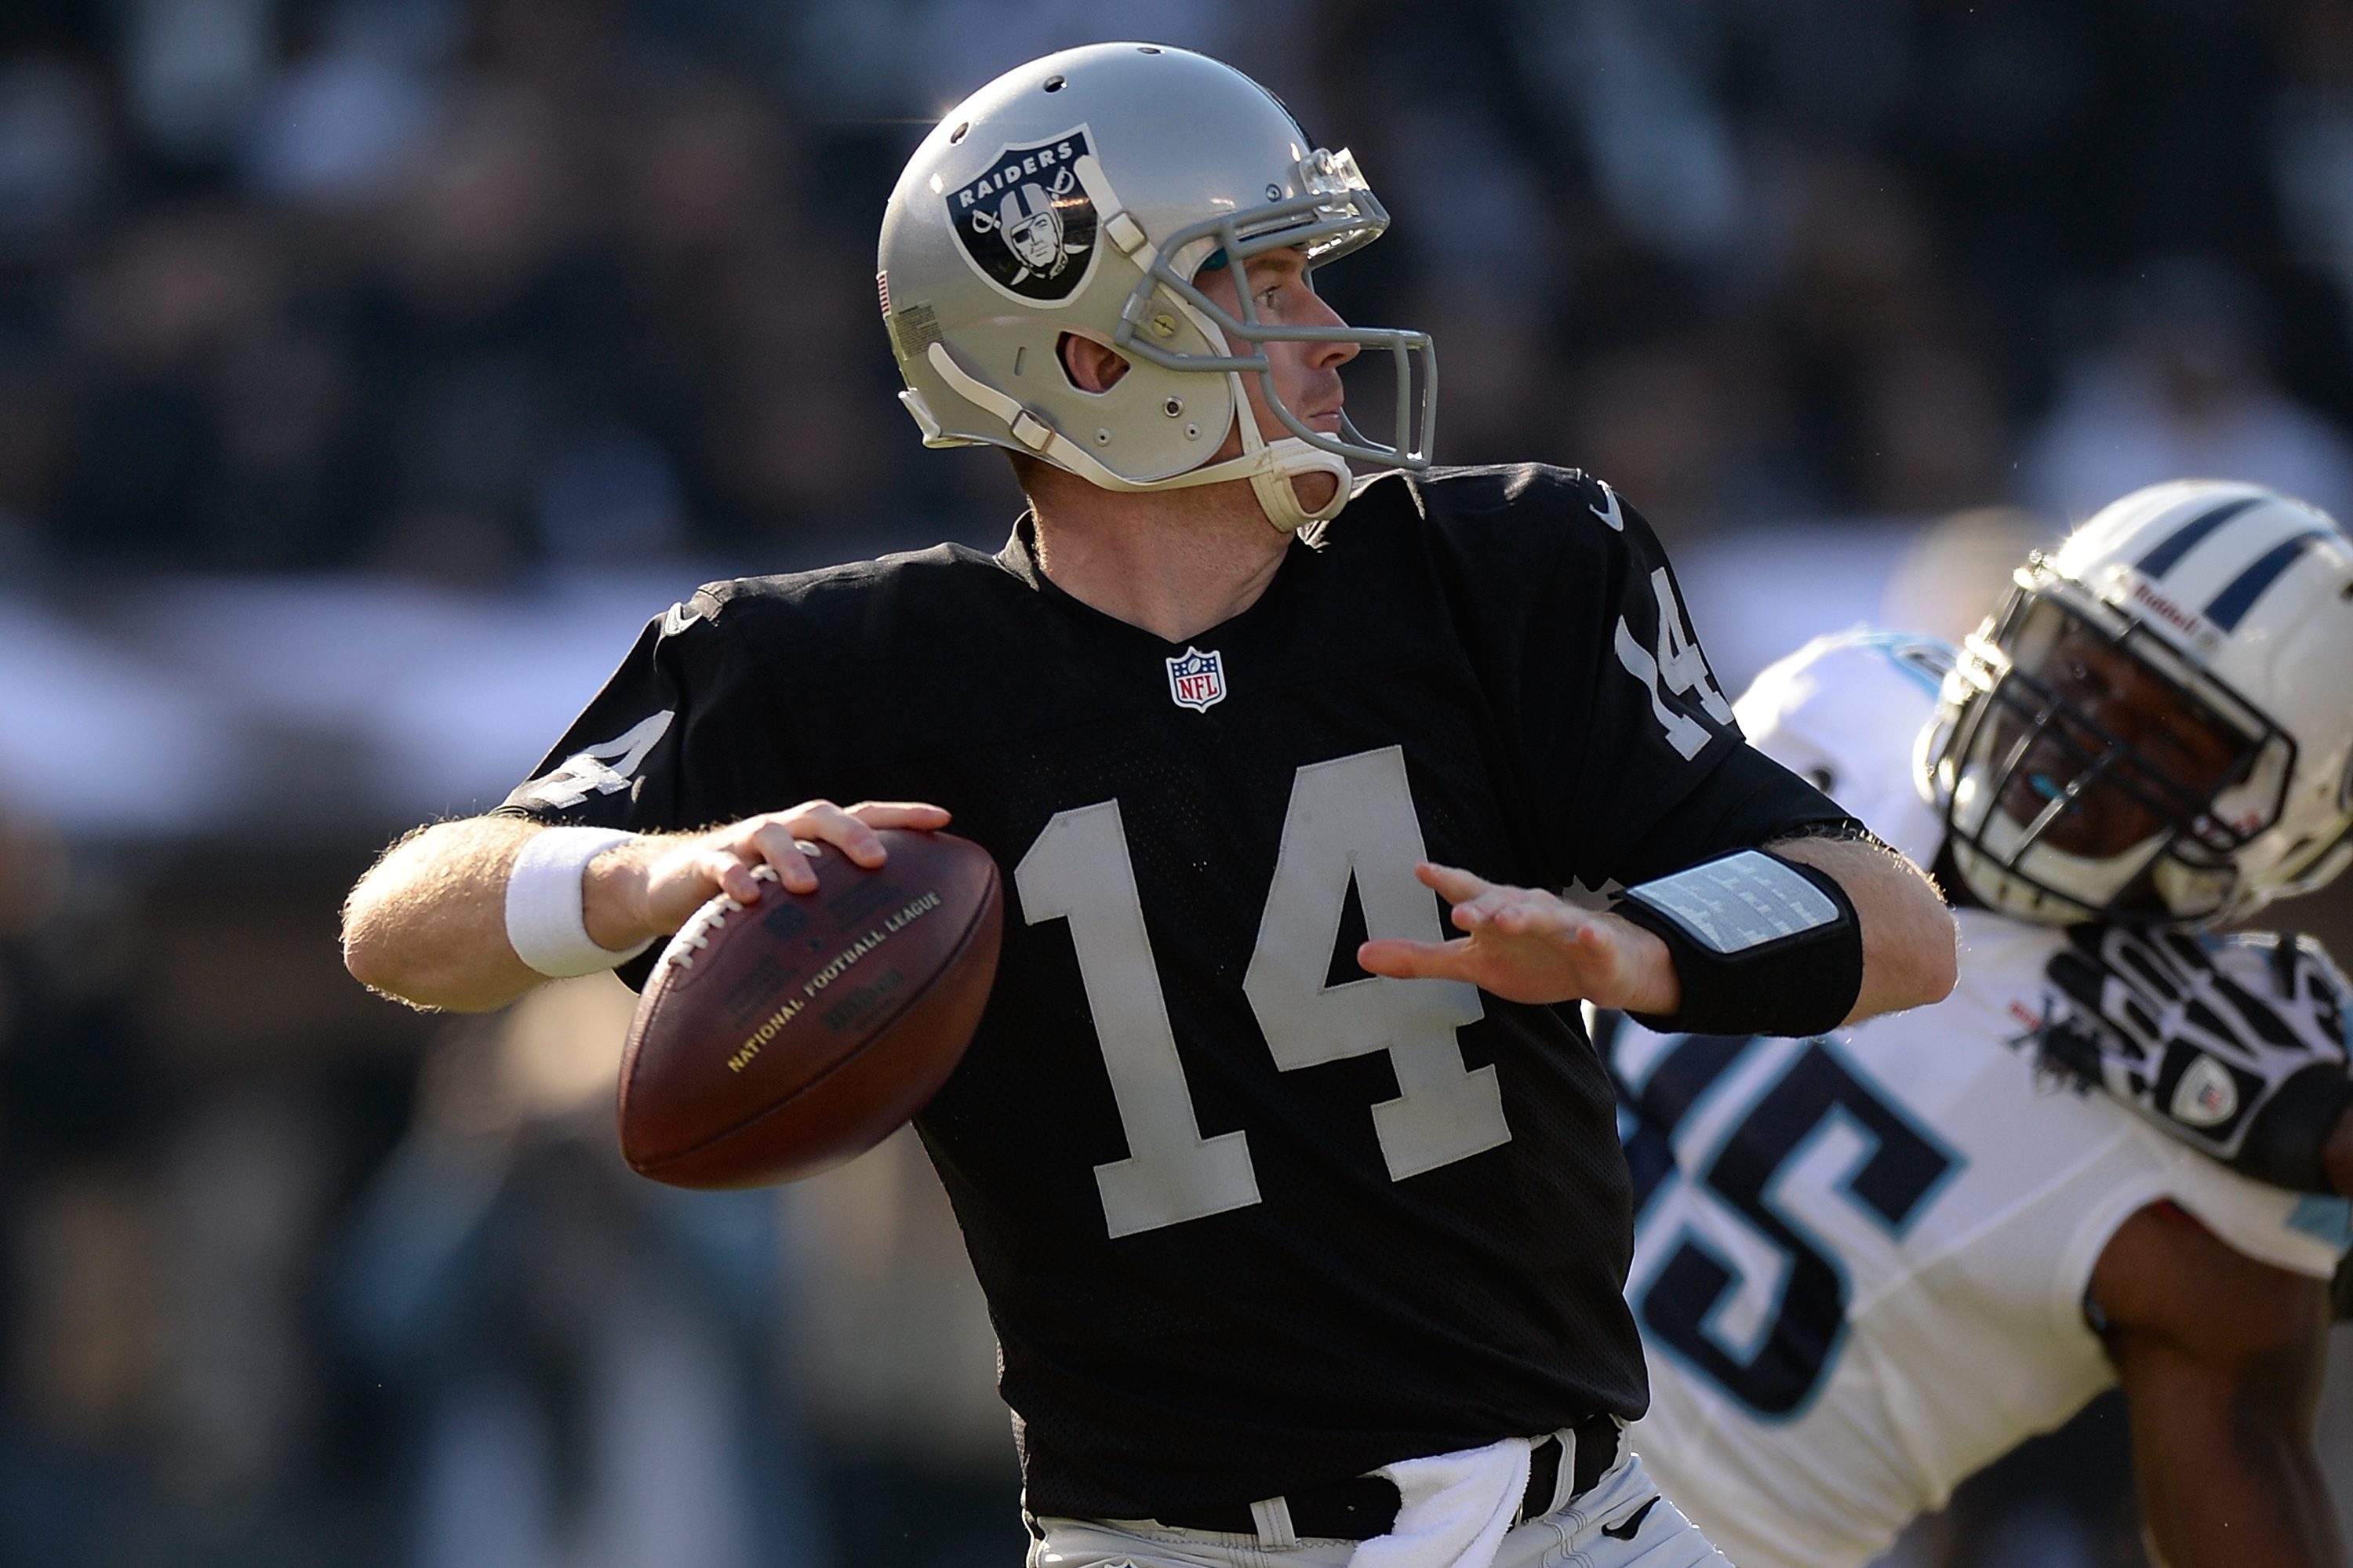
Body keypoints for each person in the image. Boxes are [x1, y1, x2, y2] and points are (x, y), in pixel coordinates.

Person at [341, 44, 1956, 1568]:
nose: (1327, 326)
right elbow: (398, 928)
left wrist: (1633, 950)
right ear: (1094, 355)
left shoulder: (1503, 572)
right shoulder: (840, 671)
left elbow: (1896, 921)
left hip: (1576, 1522)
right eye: (1264, 281)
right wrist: (643, 876)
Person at [1600, 478, 2353, 1568]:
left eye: (2174, 738)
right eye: (2084, 667)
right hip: (1387, 1386)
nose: (2078, 742)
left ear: (2274, 831)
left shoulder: (2222, 1166)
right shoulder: (1836, 711)